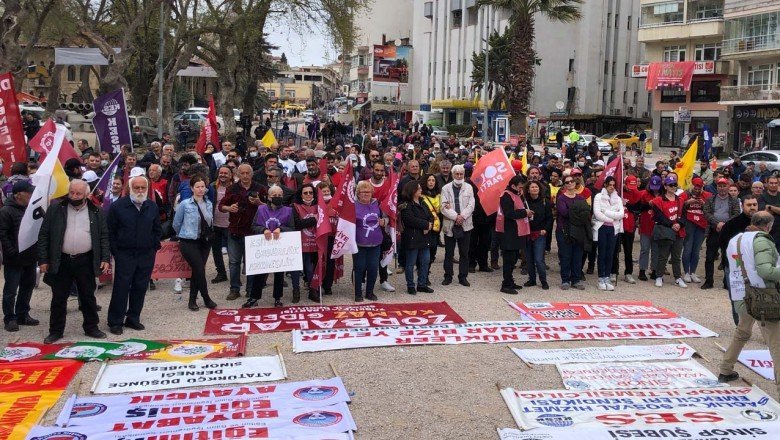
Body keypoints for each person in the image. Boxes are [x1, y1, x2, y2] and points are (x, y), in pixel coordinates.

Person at [38, 180, 110, 343]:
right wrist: (43, 259)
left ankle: (91, 327)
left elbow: (104, 236)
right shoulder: (56, 209)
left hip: (85, 260)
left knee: (87, 296)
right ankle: (56, 330)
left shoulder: (96, 211)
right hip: (61, 260)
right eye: (72, 192)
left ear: (86, 195)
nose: (74, 196)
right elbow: (44, 235)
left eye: (78, 193)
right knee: (58, 297)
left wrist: (105, 258)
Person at [719, 211, 780, 393]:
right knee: (776, 343)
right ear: (769, 225)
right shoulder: (762, 240)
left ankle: (725, 369)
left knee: (742, 332)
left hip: (741, 292)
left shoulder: (736, 239)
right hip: (762, 296)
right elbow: (766, 271)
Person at [106, 176, 162, 334]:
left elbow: (157, 229)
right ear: (130, 189)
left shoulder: (152, 206)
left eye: (143, 188)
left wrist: (153, 246)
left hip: (146, 254)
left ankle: (133, 318)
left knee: (140, 287)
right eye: (136, 187)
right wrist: (116, 252)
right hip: (125, 254)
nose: (140, 190)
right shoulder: (118, 207)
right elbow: (110, 231)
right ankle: (115, 321)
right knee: (121, 287)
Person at [218, 164, 265, 300]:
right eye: (242, 173)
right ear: (237, 174)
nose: (245, 176)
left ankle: (250, 290)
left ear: (251, 174)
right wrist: (229, 208)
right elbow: (221, 206)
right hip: (235, 230)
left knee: (250, 263)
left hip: (253, 231)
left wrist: (258, 203)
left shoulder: (260, 188)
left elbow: (269, 206)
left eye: (247, 173)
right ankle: (234, 289)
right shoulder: (232, 188)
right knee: (234, 262)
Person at [243, 185, 293, 308]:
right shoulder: (261, 209)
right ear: (269, 197)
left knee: (279, 273)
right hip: (264, 246)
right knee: (260, 272)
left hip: (280, 246)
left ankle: (277, 298)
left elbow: (292, 228)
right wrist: (263, 229)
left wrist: (280, 229)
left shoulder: (288, 210)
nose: (277, 197)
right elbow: (253, 226)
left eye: (280, 195)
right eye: (274, 196)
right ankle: (254, 297)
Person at [173, 176, 217, 311]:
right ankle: (206, 298)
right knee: (198, 268)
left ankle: (192, 300)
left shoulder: (209, 203)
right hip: (188, 241)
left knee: (198, 271)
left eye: (203, 186)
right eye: (197, 186)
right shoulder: (184, 204)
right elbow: (176, 223)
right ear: (192, 188)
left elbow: (210, 221)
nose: (200, 189)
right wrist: (185, 233)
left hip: (204, 241)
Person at [0, 181, 39, 332]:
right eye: (28, 192)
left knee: (27, 286)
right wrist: (11, 253)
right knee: (11, 289)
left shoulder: (30, 209)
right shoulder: (6, 211)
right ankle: (10, 317)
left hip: (29, 256)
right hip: (14, 258)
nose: (30, 195)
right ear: (18, 194)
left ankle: (23, 313)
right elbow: (3, 234)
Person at [719, 195, 760, 324]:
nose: (752, 207)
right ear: (742, 205)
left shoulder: (764, 223)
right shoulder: (732, 224)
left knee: (760, 298)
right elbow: (724, 246)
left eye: (754, 204)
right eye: (749, 205)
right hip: (735, 267)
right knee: (737, 298)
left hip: (757, 267)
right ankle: (740, 328)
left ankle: (764, 329)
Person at [702, 178, 741, 289]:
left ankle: (726, 282)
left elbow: (736, 214)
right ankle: (709, 281)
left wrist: (724, 224)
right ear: (717, 187)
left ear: (728, 187)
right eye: (720, 186)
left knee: (727, 257)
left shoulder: (734, 200)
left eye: (724, 186)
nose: (722, 188)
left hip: (728, 232)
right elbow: (706, 212)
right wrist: (717, 223)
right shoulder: (710, 199)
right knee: (709, 257)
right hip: (713, 230)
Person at [440, 165, 474, 287]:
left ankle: (463, 277)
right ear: (453, 174)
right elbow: (443, 207)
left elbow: (471, 205)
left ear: (464, 175)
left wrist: (462, 217)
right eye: (457, 174)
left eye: (461, 174)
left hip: (465, 224)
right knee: (449, 252)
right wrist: (456, 217)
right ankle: (448, 276)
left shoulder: (469, 187)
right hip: (450, 224)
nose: (459, 176)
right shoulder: (445, 188)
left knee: (464, 252)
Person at [495, 175, 529, 295]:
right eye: (520, 187)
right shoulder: (506, 195)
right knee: (509, 259)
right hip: (508, 232)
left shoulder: (517, 194)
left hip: (516, 231)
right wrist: (525, 212)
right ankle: (506, 284)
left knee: (514, 257)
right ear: (513, 185)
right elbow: (509, 213)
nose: (521, 189)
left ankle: (510, 280)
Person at [400, 180, 434, 295]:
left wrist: (429, 224)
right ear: (413, 190)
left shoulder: (423, 202)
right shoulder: (406, 204)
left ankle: (422, 284)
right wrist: (425, 225)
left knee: (425, 261)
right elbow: (409, 219)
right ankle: (410, 285)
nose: (421, 190)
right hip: (412, 238)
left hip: (424, 237)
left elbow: (430, 216)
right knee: (411, 263)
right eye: (418, 188)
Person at [353, 180, 386, 302]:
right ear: (358, 193)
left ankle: (369, 292)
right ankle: (357, 293)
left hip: (375, 242)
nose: (366, 194)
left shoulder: (377, 204)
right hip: (359, 242)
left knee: (373, 268)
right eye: (363, 192)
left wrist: (384, 222)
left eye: (368, 191)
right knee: (359, 268)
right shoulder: (353, 205)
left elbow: (384, 218)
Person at [652, 176, 687, 288]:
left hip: (678, 231)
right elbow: (659, 217)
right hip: (666, 231)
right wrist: (672, 224)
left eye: (674, 185)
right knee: (663, 255)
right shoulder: (658, 200)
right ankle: (659, 276)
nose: (673, 187)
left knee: (676, 256)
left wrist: (679, 224)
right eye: (670, 185)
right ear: (665, 186)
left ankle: (677, 277)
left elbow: (685, 215)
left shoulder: (681, 200)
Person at [557, 175, 589, 290]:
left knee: (577, 256)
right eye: (567, 182)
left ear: (575, 183)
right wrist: (576, 212)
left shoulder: (581, 199)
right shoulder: (561, 198)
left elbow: (585, 213)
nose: (569, 183)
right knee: (565, 256)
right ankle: (565, 280)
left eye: (571, 181)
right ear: (564, 185)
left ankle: (576, 279)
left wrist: (573, 211)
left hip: (578, 231)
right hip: (564, 231)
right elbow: (564, 213)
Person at [592, 176, 624, 291]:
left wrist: (606, 212)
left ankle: (607, 277)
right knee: (602, 253)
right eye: (610, 184)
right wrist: (612, 218)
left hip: (614, 229)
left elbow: (621, 214)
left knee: (611, 254)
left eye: (613, 185)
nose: (612, 187)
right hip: (602, 228)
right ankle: (601, 278)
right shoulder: (598, 196)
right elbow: (597, 213)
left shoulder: (618, 198)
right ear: (605, 184)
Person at [679, 177, 711, 283]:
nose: (697, 190)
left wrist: (704, 204)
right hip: (689, 223)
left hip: (701, 225)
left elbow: (712, 208)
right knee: (687, 248)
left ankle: (693, 272)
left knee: (696, 250)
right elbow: (677, 206)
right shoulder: (685, 194)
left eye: (699, 187)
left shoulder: (707, 195)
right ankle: (686, 272)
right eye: (695, 187)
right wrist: (686, 203)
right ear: (692, 185)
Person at [292, 183, 319, 303]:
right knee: (295, 269)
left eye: (311, 192)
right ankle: (296, 291)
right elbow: (297, 224)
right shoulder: (295, 206)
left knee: (310, 268)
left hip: (314, 243)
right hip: (298, 242)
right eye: (305, 193)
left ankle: (312, 291)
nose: (308, 195)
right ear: (301, 194)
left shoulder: (319, 206)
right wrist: (313, 219)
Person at [523, 180, 552, 290]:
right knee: (529, 258)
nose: (534, 189)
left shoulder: (546, 202)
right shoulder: (524, 202)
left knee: (539, 259)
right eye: (532, 187)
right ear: (528, 189)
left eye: (536, 187)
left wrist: (545, 229)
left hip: (539, 233)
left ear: (540, 189)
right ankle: (532, 279)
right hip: (527, 233)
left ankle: (543, 280)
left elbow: (549, 218)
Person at [208, 166, 232, 284]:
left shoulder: (235, 187)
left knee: (232, 251)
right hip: (215, 224)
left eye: (225, 173)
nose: (223, 175)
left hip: (230, 224)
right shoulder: (212, 187)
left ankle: (234, 274)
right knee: (216, 251)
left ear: (231, 175)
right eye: (221, 173)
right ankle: (221, 273)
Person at [420, 174, 441, 263]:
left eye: (433, 180)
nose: (431, 182)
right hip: (426, 225)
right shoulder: (421, 195)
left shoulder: (439, 195)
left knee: (433, 247)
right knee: (425, 248)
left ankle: (429, 262)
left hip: (436, 226)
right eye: (429, 180)